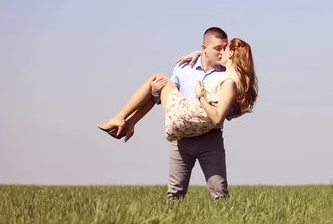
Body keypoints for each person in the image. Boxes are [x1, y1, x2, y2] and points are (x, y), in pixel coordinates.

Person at [97, 28, 258, 200]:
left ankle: (123, 119)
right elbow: (159, 97)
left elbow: (226, 112)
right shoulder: (184, 67)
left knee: (219, 192)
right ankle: (127, 122)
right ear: (204, 47)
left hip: (209, 137)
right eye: (217, 48)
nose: (221, 52)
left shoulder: (224, 73)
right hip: (182, 136)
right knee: (175, 192)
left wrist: (203, 97)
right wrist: (155, 91)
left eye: (224, 48)